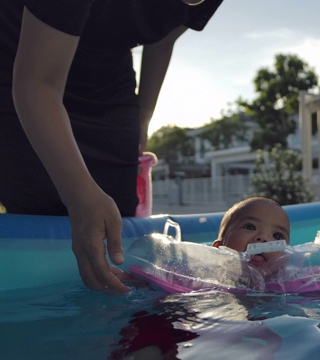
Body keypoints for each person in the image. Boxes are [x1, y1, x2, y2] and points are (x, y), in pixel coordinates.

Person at [0, 0, 223, 294]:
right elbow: (36, 82)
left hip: (109, 70)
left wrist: (142, 117)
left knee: (114, 214)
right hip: (25, 52)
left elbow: (164, 35)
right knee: (45, 198)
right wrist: (78, 193)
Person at [213, 197, 291, 270]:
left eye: (277, 236)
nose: (264, 238)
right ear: (219, 247)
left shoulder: (296, 282)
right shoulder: (207, 278)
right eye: (250, 227)